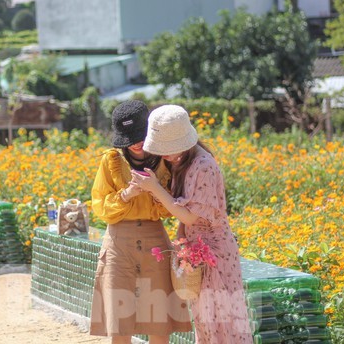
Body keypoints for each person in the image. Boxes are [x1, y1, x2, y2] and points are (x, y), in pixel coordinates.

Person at [131, 104, 253, 344]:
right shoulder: (183, 162)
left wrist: (155, 188)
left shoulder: (204, 165)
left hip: (216, 253)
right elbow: (183, 218)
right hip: (197, 251)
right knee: (205, 323)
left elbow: (189, 215)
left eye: (166, 148)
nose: (163, 154)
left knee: (224, 323)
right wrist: (181, 243)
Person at [89, 100, 192, 343]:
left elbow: (173, 207)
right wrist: (126, 195)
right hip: (117, 242)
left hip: (154, 238)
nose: (135, 143)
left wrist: (154, 189)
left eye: (140, 135)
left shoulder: (164, 157)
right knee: (119, 322)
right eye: (129, 138)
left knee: (158, 319)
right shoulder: (111, 160)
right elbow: (100, 207)